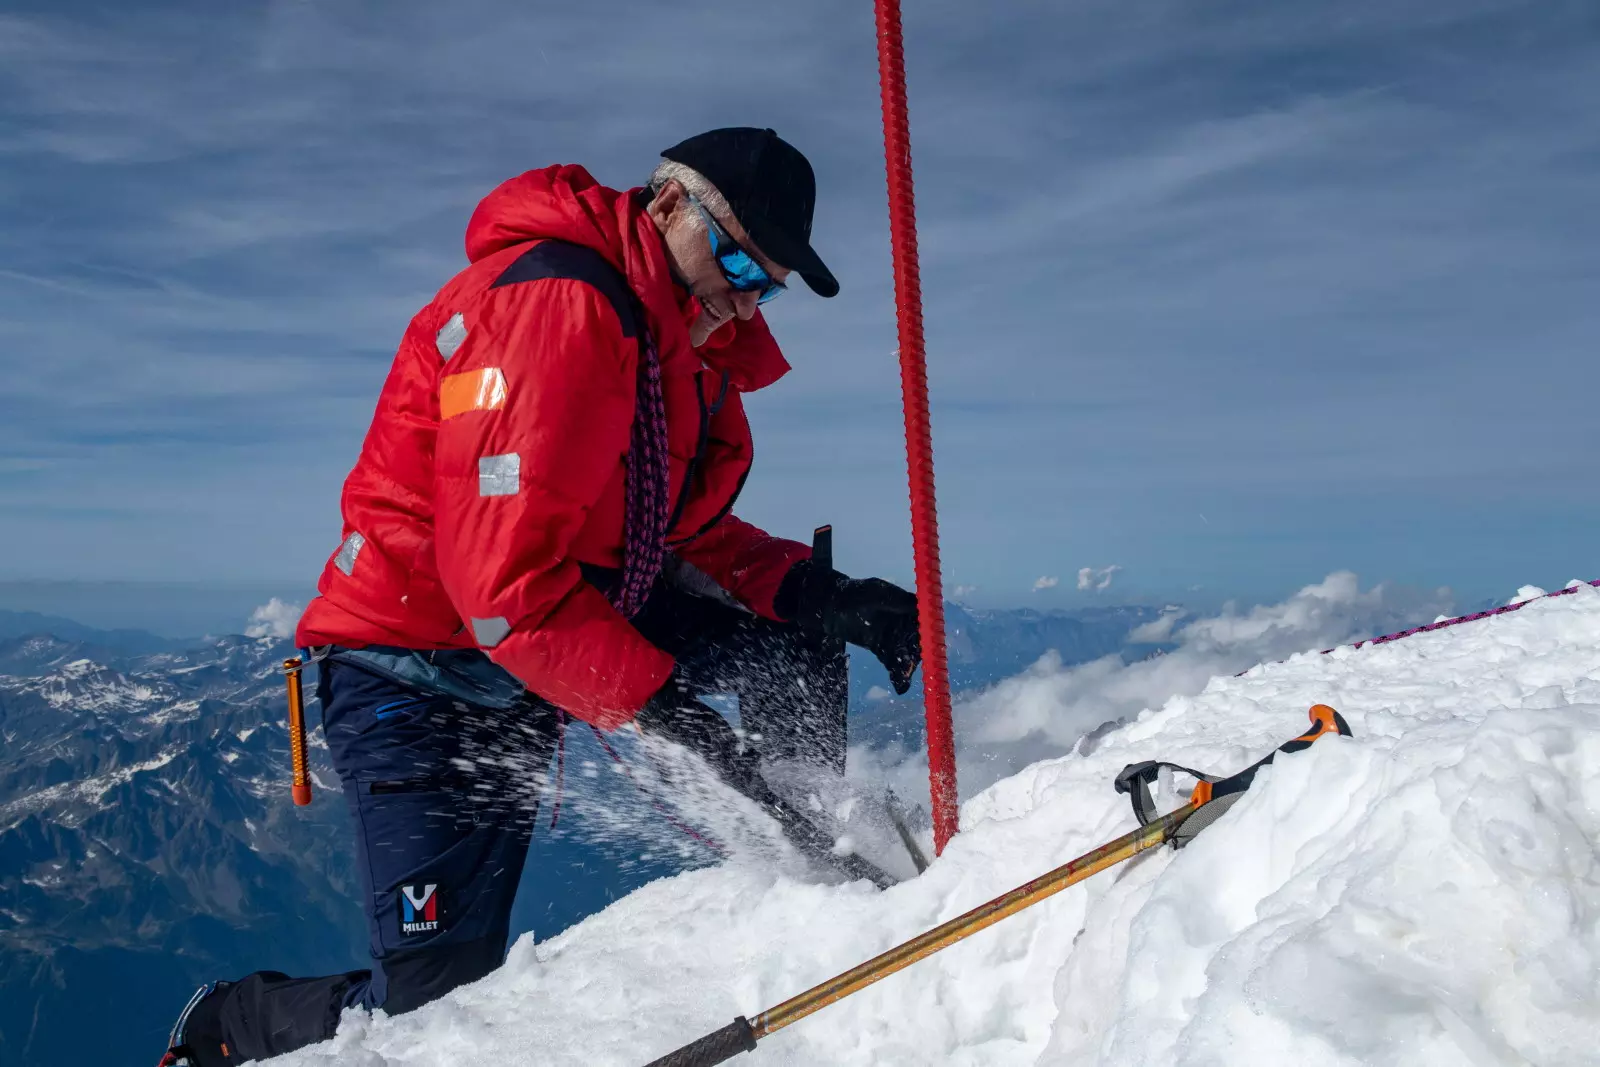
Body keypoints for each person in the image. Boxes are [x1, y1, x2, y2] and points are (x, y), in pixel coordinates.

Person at [157, 127, 921, 1066]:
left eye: (764, 284)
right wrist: (665, 712)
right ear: (668, 204)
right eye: (734, 260)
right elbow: (501, 588)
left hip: (544, 635)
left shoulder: (676, 343)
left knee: (787, 639)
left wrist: (817, 592)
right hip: (417, 668)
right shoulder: (556, 309)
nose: (743, 297)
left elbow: (675, 530)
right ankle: (230, 1023)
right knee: (433, 1006)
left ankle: (818, 848)